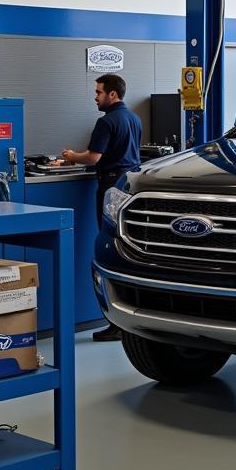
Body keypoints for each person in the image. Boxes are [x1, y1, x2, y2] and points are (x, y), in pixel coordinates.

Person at [62, 73, 142, 342]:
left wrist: (72, 157)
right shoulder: (134, 118)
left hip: (109, 187)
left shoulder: (106, 121)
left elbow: (94, 158)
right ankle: (129, 319)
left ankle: (115, 322)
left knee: (108, 250)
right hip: (128, 189)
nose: (95, 97)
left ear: (112, 94)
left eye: (98, 92)